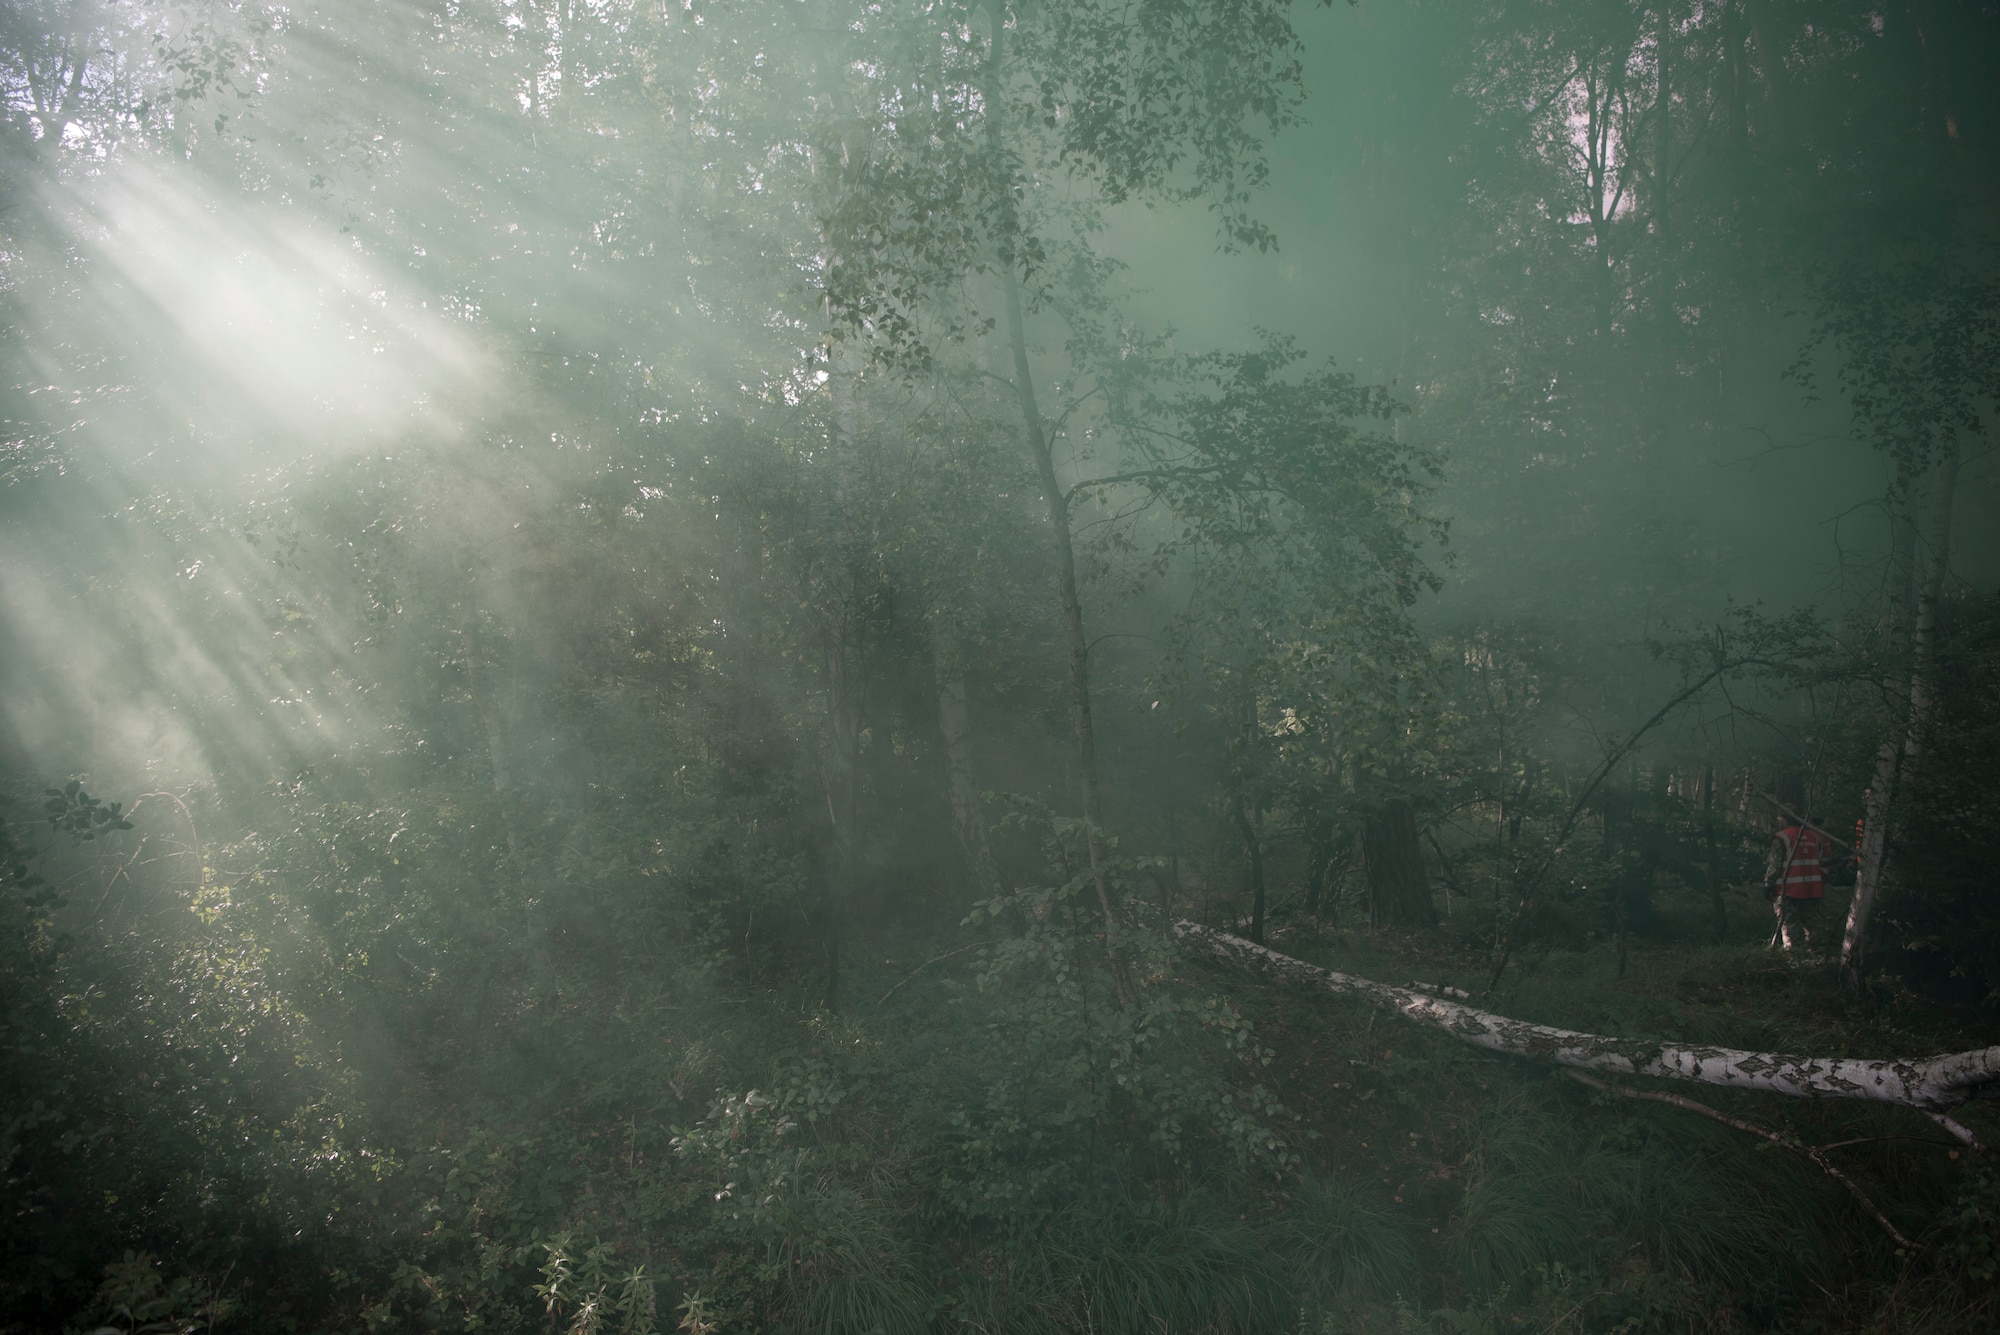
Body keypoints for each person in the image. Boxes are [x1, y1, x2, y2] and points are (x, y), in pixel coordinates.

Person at [1765, 813, 1830, 952]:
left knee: (1789, 924)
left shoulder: (1781, 837)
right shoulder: (1814, 837)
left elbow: (1775, 864)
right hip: (1813, 888)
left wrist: (1768, 884)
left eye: (1780, 816)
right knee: (1813, 923)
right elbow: (1822, 861)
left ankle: (1794, 956)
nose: (1777, 819)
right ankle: (1819, 952)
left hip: (1788, 889)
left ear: (1785, 818)